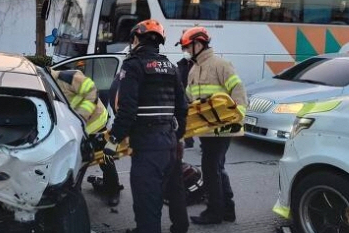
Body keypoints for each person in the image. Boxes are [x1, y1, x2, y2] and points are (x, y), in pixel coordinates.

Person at [103, 19, 188, 233]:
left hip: (147, 148)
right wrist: (176, 136)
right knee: (172, 193)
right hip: (169, 145)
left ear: (137, 38)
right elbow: (182, 108)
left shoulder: (133, 65)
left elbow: (127, 110)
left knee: (147, 204)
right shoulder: (170, 66)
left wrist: (113, 141)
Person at [178, 26, 247, 225]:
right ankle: (227, 210)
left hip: (223, 128)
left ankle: (214, 212)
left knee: (210, 168)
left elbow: (238, 91)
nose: (186, 51)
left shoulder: (221, 65)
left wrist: (237, 118)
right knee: (217, 168)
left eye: (188, 47)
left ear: (198, 44)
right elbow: (190, 100)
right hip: (206, 130)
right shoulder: (194, 69)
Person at [50, 69, 123, 206]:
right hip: (76, 129)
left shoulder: (67, 77)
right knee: (75, 162)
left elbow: (92, 92)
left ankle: (113, 190)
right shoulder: (44, 87)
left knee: (105, 158)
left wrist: (81, 117)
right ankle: (72, 193)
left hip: (95, 124)